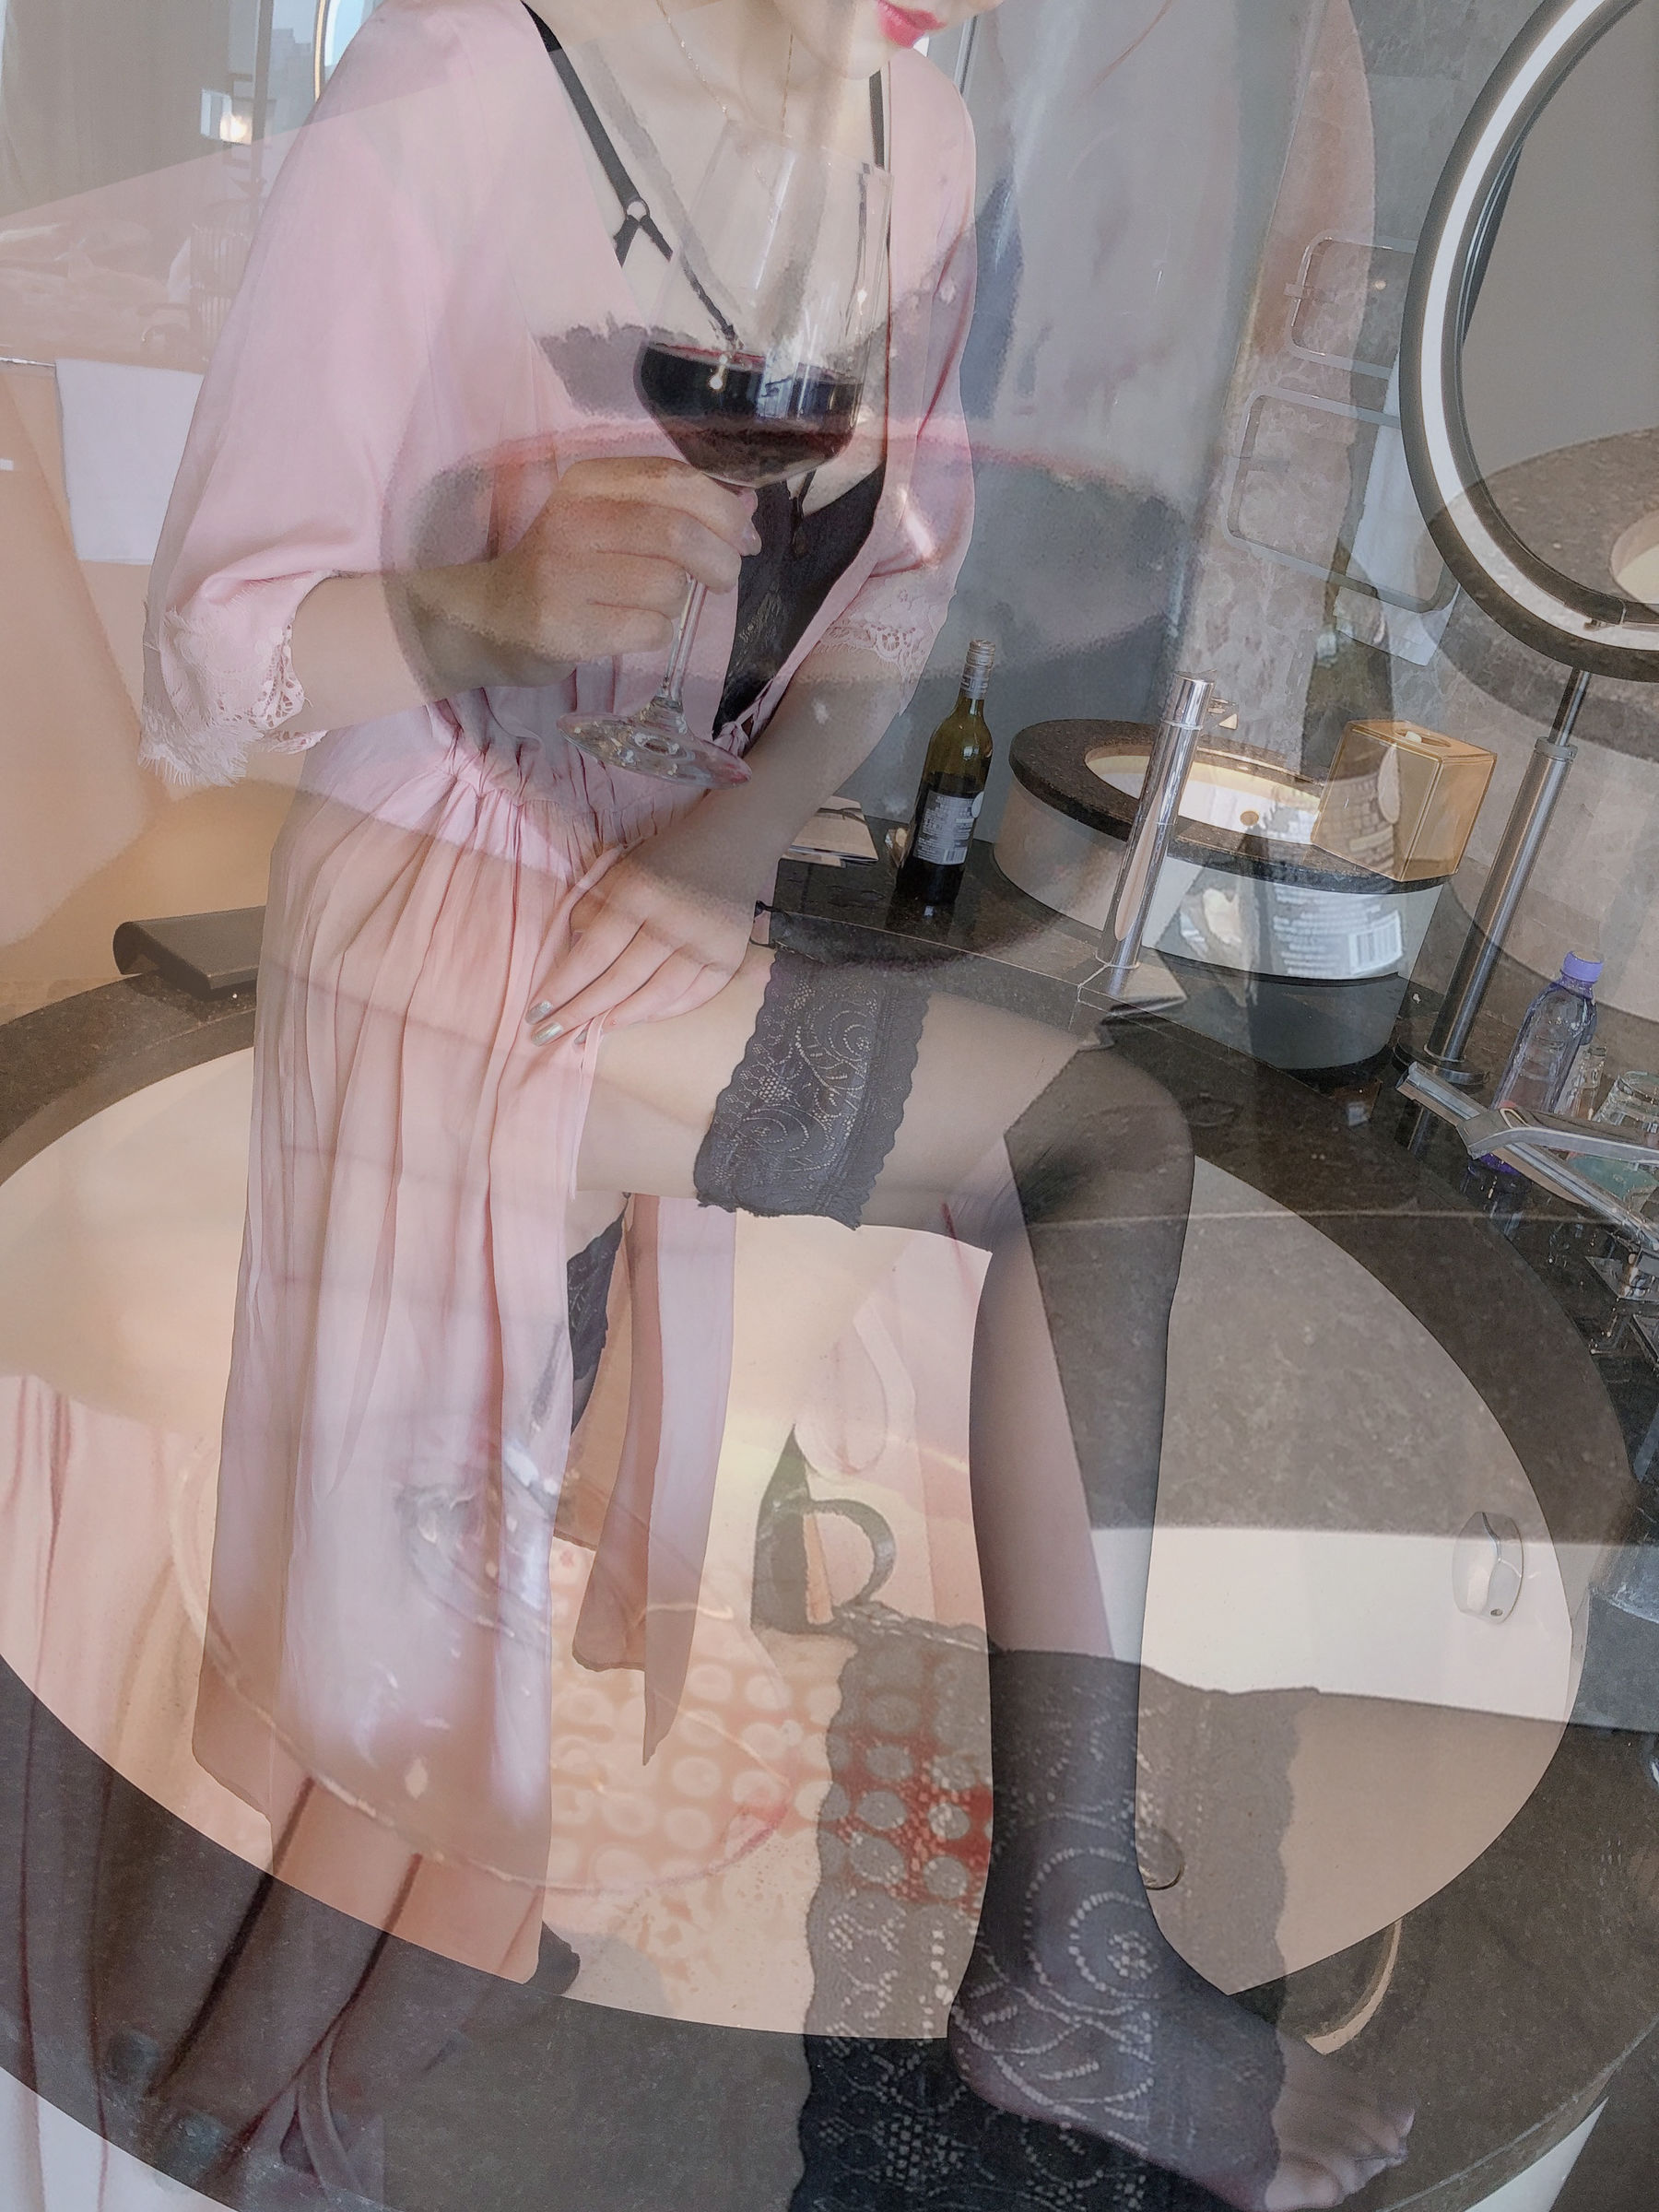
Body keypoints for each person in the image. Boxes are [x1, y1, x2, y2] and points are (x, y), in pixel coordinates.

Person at [139, 1, 1413, 2203]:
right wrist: (482, 604)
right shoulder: (459, 76)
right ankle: (1071, 1967)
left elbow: (896, 586)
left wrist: (721, 844)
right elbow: (213, 651)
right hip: (443, 895)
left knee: (465, 1582)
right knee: (1094, 1145)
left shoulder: (908, 122)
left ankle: (229, 2105)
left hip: (648, 884)